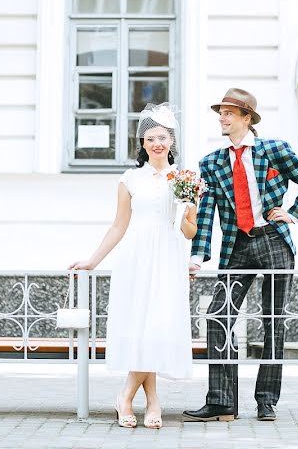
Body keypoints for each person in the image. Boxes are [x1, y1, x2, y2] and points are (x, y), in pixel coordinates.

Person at [182, 88, 298, 423]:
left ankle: (266, 401)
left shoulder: (273, 150)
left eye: (230, 112)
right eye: (221, 112)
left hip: (274, 242)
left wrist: (294, 214)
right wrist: (197, 257)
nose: (223, 117)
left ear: (247, 118)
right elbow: (206, 215)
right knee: (218, 316)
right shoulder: (212, 163)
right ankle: (221, 401)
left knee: (273, 323)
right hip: (237, 247)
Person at [69, 104, 197, 429]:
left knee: (159, 326)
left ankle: (126, 395)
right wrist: (92, 260)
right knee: (142, 326)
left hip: (168, 256)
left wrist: (188, 212)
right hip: (137, 256)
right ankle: (152, 401)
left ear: (171, 142)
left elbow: (189, 231)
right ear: (142, 143)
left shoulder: (183, 178)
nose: (157, 143)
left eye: (163, 137)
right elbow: (118, 226)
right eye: (151, 137)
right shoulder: (129, 179)